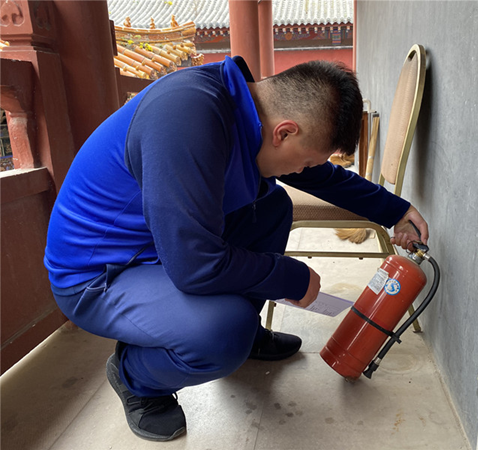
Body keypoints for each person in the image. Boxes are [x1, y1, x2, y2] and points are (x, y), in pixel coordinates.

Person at [44, 56, 429, 442]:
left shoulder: (243, 105)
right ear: (284, 132)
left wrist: (396, 211)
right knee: (223, 333)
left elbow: (320, 176)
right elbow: (195, 266)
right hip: (99, 274)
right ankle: (136, 376)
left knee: (271, 207)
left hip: (160, 246)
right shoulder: (186, 120)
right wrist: (289, 277)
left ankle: (244, 333)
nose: (301, 171)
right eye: (305, 161)